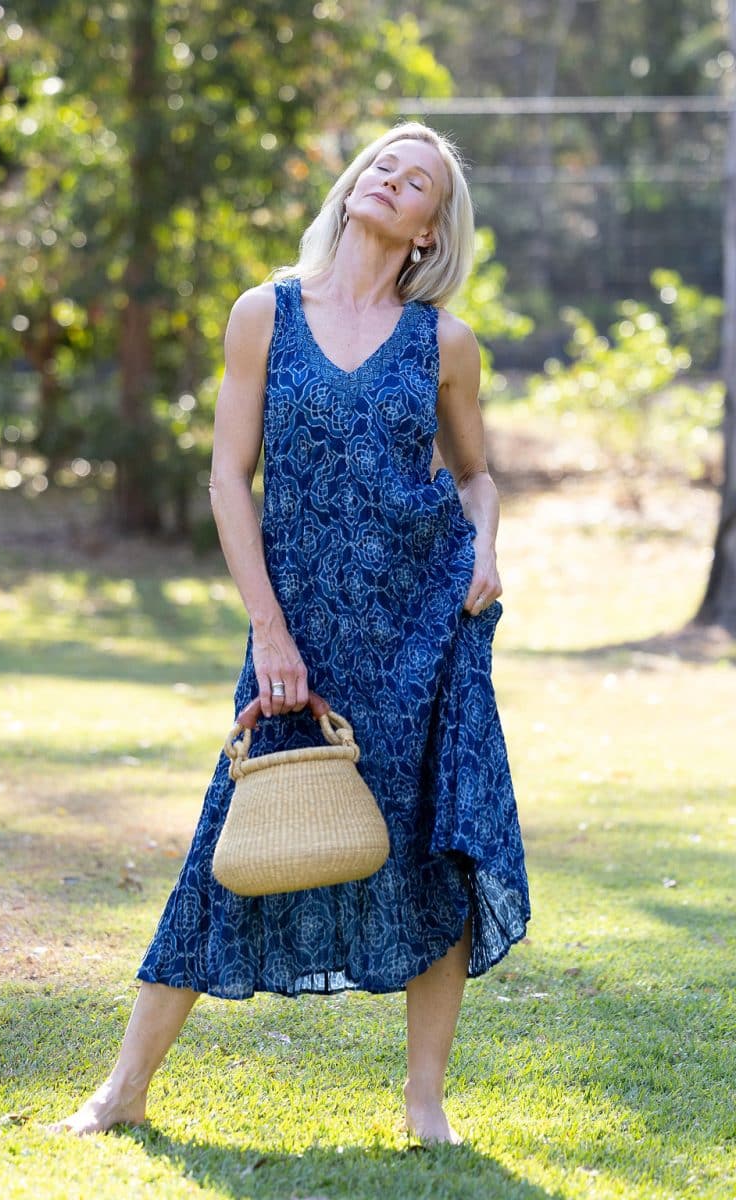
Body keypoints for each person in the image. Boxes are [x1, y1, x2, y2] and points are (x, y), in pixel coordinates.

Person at [48, 121, 530, 1145]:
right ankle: (123, 1089)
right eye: (383, 164)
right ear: (356, 186)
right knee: (225, 837)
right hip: (296, 628)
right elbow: (228, 476)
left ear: (427, 230)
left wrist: (484, 546)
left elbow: (477, 472)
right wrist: (268, 630)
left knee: (432, 848)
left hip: (418, 627)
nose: (390, 178)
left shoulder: (441, 341)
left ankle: (423, 1106)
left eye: (416, 182)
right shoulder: (263, 314)